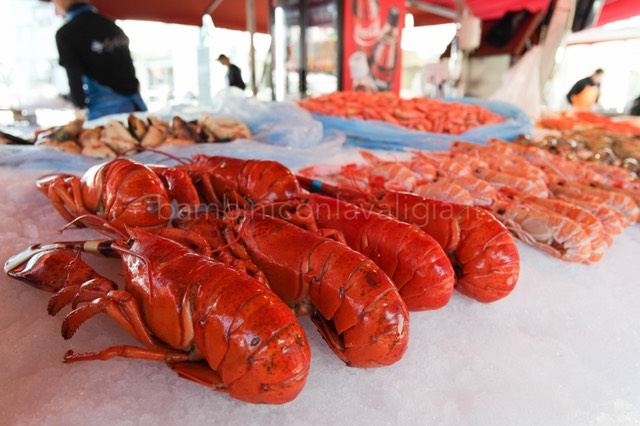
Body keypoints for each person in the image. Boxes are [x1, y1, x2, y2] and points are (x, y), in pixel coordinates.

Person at [53, 0, 147, 120]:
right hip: (136, 104)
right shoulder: (112, 25)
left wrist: (79, 106)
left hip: (106, 111)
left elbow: (74, 75)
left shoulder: (66, 33)